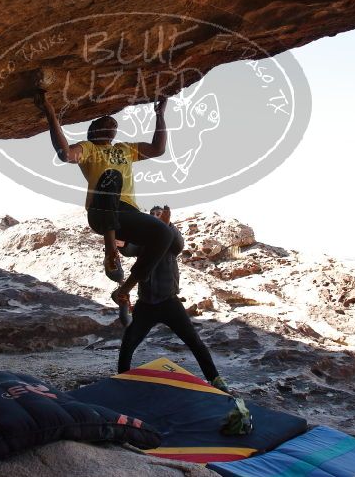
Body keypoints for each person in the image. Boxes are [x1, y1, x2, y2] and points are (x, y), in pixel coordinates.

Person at [34, 87, 174, 324]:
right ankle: (110, 250)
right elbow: (65, 154)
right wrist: (50, 113)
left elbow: (158, 149)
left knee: (164, 234)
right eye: (105, 122)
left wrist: (160, 115)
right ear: (93, 131)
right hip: (100, 211)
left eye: (113, 123)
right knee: (112, 177)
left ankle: (124, 291)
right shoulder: (88, 148)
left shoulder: (124, 149)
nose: (112, 123)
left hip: (127, 213)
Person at [118, 205, 230, 392]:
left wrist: (168, 225)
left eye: (159, 214)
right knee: (128, 343)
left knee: (194, 341)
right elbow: (130, 249)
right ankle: (121, 379)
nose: (156, 217)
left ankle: (215, 379)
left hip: (169, 302)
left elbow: (179, 244)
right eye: (153, 215)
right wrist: (120, 243)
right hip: (145, 304)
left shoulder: (169, 238)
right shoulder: (144, 241)